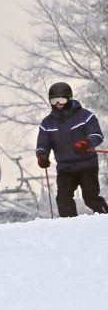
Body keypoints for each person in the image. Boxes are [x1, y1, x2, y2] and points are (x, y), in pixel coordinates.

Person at [36, 81, 108, 217]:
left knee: (90, 197)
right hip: (65, 168)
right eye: (54, 100)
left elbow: (97, 135)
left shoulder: (85, 116)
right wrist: (42, 156)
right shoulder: (47, 123)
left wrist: (86, 144)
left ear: (69, 98)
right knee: (63, 198)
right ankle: (69, 225)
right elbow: (43, 143)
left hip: (87, 165)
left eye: (61, 100)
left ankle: (105, 217)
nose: (58, 104)